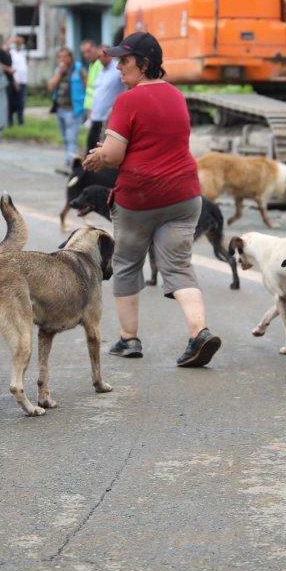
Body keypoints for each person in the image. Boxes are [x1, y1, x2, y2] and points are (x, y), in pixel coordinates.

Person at [81, 32, 221, 368]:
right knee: (178, 266)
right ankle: (198, 332)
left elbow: (114, 154)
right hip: (185, 195)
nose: (118, 67)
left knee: (128, 263)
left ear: (144, 64)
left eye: (124, 61)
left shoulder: (128, 101)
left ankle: (129, 339)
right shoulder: (175, 96)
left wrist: (99, 156)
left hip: (139, 199)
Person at [46, 47, 86, 174]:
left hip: (73, 110)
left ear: (70, 57)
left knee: (71, 138)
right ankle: (70, 161)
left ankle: (70, 165)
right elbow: (50, 87)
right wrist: (59, 73)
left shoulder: (79, 69)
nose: (62, 59)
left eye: (65, 56)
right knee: (65, 137)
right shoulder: (59, 70)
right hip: (60, 109)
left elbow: (88, 84)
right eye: (60, 57)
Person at [86, 45, 122, 150]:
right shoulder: (100, 70)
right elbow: (96, 92)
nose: (100, 59)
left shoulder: (117, 69)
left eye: (103, 56)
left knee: (101, 150)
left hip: (107, 118)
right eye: (99, 56)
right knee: (90, 148)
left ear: (110, 56)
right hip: (96, 116)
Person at [0, 36, 21, 128]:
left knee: (12, 101)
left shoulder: (9, 54)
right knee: (5, 101)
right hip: (2, 79)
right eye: (11, 41)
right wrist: (8, 69)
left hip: (10, 79)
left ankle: (10, 121)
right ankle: (4, 121)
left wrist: (14, 81)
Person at [9, 35, 28, 126]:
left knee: (22, 102)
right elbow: (13, 68)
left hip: (23, 81)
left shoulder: (22, 53)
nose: (20, 45)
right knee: (14, 102)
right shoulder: (12, 54)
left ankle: (21, 121)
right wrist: (15, 80)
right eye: (18, 43)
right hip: (16, 81)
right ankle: (10, 121)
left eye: (21, 43)